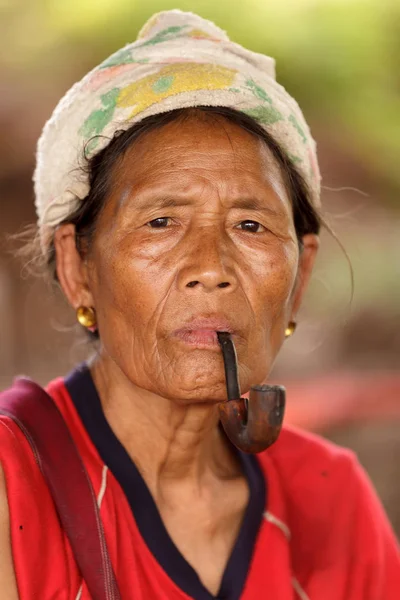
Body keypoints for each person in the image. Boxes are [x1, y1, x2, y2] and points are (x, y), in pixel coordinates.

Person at [0, 9, 399, 600]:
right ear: (77, 269)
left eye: (250, 225)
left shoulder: (328, 497)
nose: (211, 269)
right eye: (161, 222)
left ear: (300, 274)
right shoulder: (13, 484)